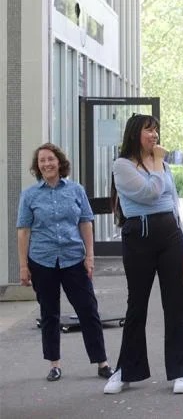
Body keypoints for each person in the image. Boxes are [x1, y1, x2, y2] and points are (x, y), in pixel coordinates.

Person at [103, 114, 183, 394]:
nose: (154, 135)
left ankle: (181, 371)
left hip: (170, 236)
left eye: (156, 130)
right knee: (137, 306)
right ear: (135, 134)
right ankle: (125, 370)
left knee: (175, 304)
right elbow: (150, 194)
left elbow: (174, 206)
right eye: (148, 130)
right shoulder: (121, 166)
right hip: (138, 238)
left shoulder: (163, 164)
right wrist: (156, 163)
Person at [17, 143, 114, 382]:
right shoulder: (30, 195)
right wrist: (23, 266)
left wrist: (90, 256)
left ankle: (102, 362)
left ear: (59, 162)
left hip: (73, 259)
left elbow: (86, 223)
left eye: (50, 159)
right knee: (50, 313)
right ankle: (55, 364)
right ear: (37, 166)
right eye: (42, 161)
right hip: (42, 260)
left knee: (88, 310)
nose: (47, 164)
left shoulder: (76, 190)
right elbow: (24, 231)